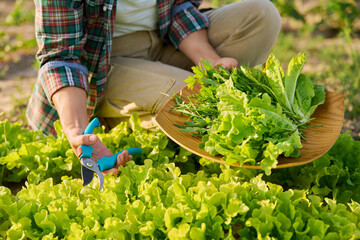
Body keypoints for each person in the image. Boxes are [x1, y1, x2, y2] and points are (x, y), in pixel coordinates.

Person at [26, 0, 282, 175]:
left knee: (262, 15)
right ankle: (114, 115)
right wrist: (76, 130)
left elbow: (177, 7)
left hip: (163, 41)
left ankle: (153, 106)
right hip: (100, 66)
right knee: (192, 97)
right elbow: (62, 56)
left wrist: (210, 61)